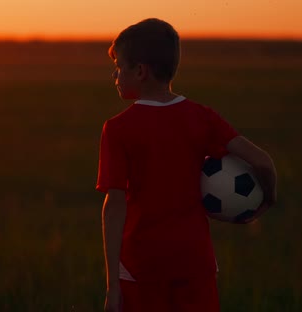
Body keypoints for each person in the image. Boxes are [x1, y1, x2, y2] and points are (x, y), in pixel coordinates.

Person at [96, 18, 277, 312]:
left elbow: (114, 205)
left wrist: (112, 285)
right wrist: (268, 198)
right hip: (195, 262)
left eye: (120, 67)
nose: (115, 75)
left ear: (141, 71)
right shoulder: (202, 117)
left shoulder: (117, 129)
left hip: (140, 267)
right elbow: (262, 161)